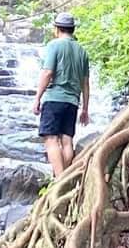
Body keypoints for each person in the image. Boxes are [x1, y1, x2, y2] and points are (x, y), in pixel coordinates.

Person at [33, 12, 90, 176]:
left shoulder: (54, 45)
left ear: (57, 28)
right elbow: (85, 83)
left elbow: (47, 72)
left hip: (54, 99)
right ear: (73, 29)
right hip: (72, 101)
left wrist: (37, 98)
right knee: (67, 141)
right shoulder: (82, 51)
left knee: (51, 140)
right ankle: (64, 177)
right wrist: (85, 109)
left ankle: (58, 180)